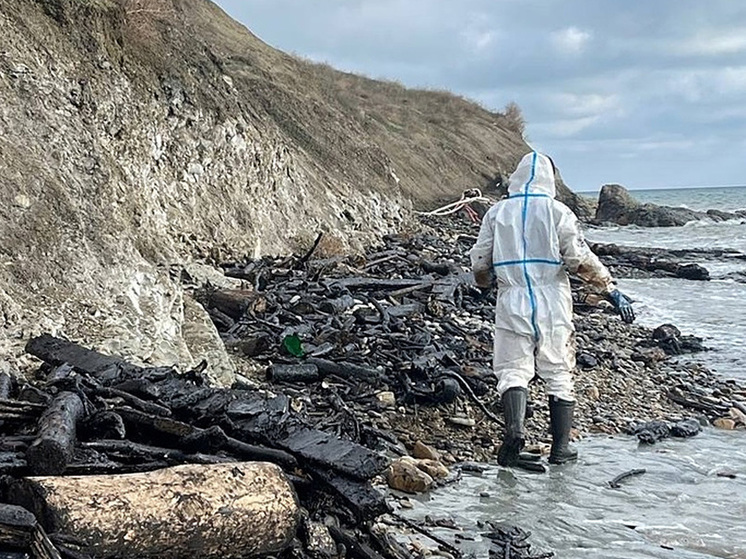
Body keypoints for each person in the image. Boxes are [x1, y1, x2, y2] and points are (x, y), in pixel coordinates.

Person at [469, 151, 634, 468]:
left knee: (512, 368)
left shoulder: (497, 214)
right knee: (558, 370)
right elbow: (579, 259)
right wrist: (610, 290)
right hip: (552, 298)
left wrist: (484, 282)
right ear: (549, 179)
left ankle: (515, 429)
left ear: (516, 178)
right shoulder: (558, 212)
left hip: (511, 295)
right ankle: (561, 448)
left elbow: (480, 261)